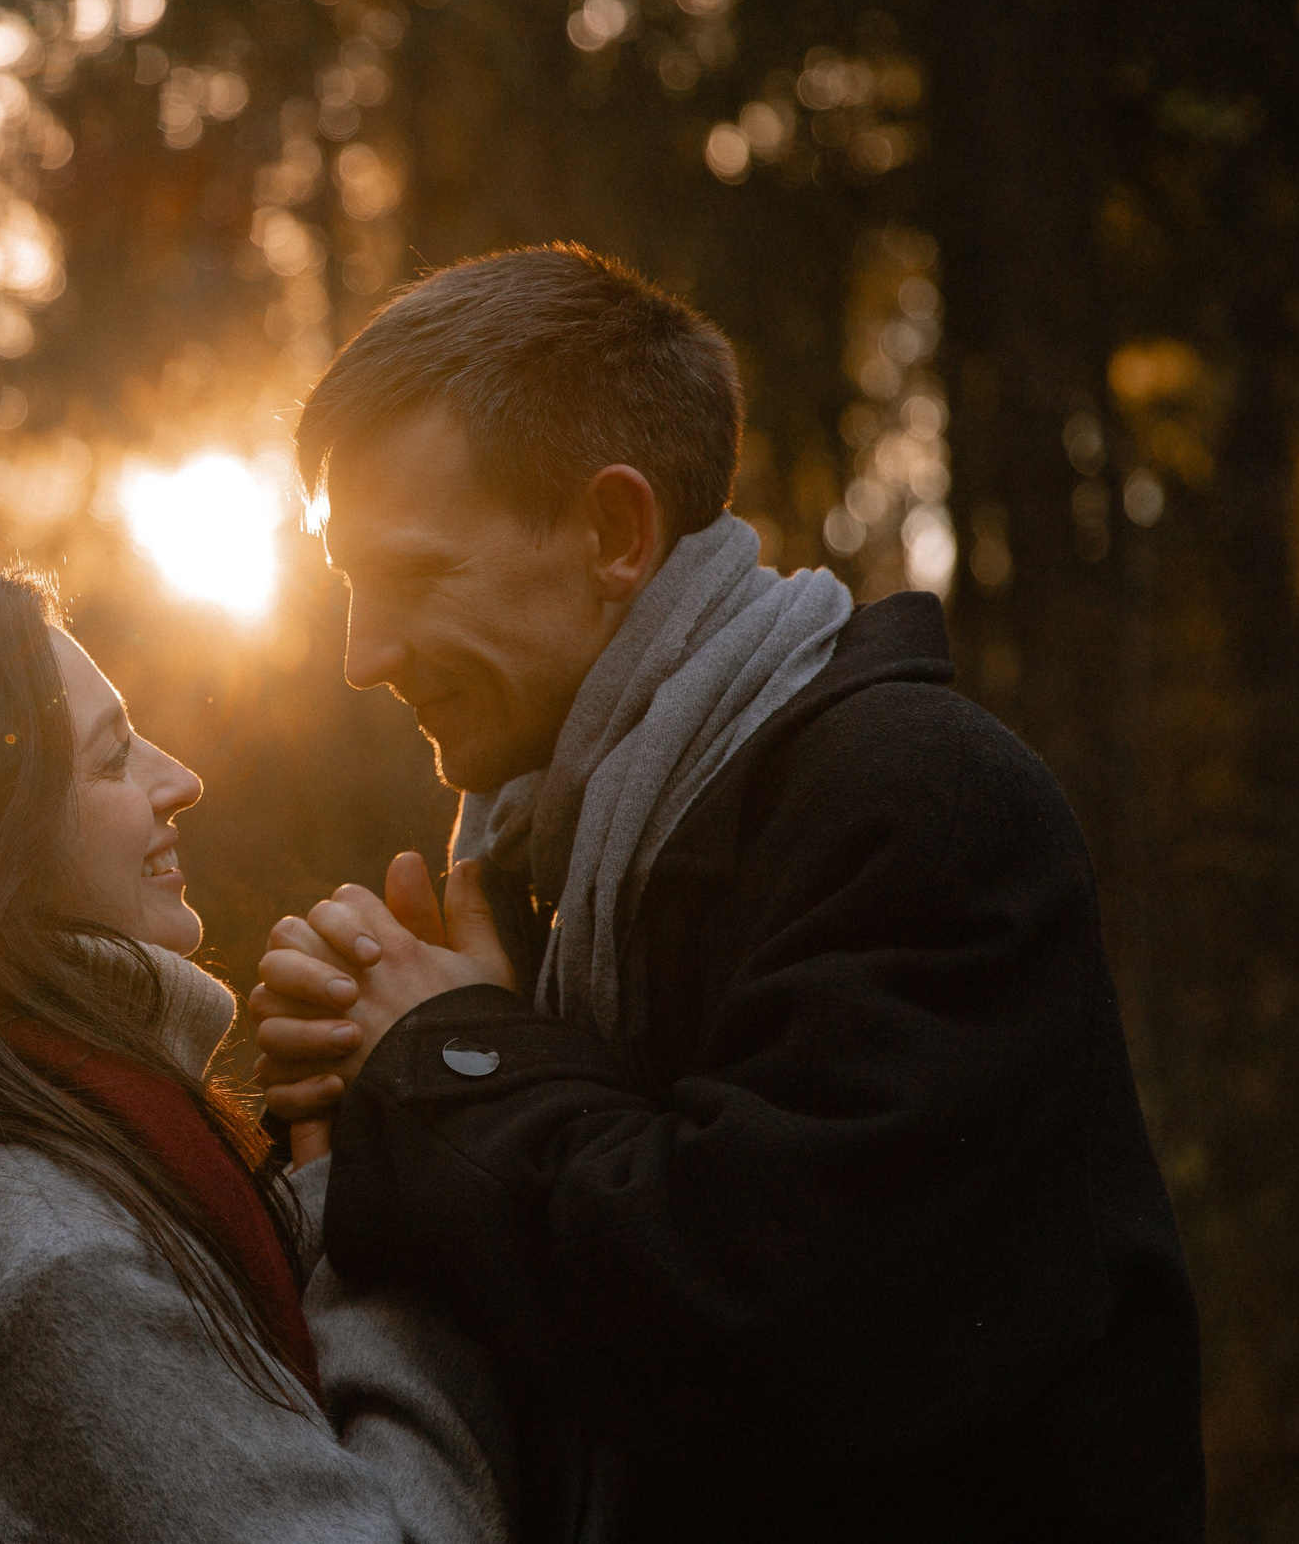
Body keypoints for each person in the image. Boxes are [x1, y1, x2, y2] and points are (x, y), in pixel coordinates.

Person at [249, 243, 1205, 1543]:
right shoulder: (549, 861)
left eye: (413, 576)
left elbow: (761, 1320)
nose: (363, 654)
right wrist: (348, 1097)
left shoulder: (918, 806)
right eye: (347, 587)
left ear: (614, 533)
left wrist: (446, 1058)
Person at [0, 564, 511, 1544]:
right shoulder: (33, 1262)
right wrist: (433, 1201)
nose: (180, 779)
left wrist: (337, 1167)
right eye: (113, 759)